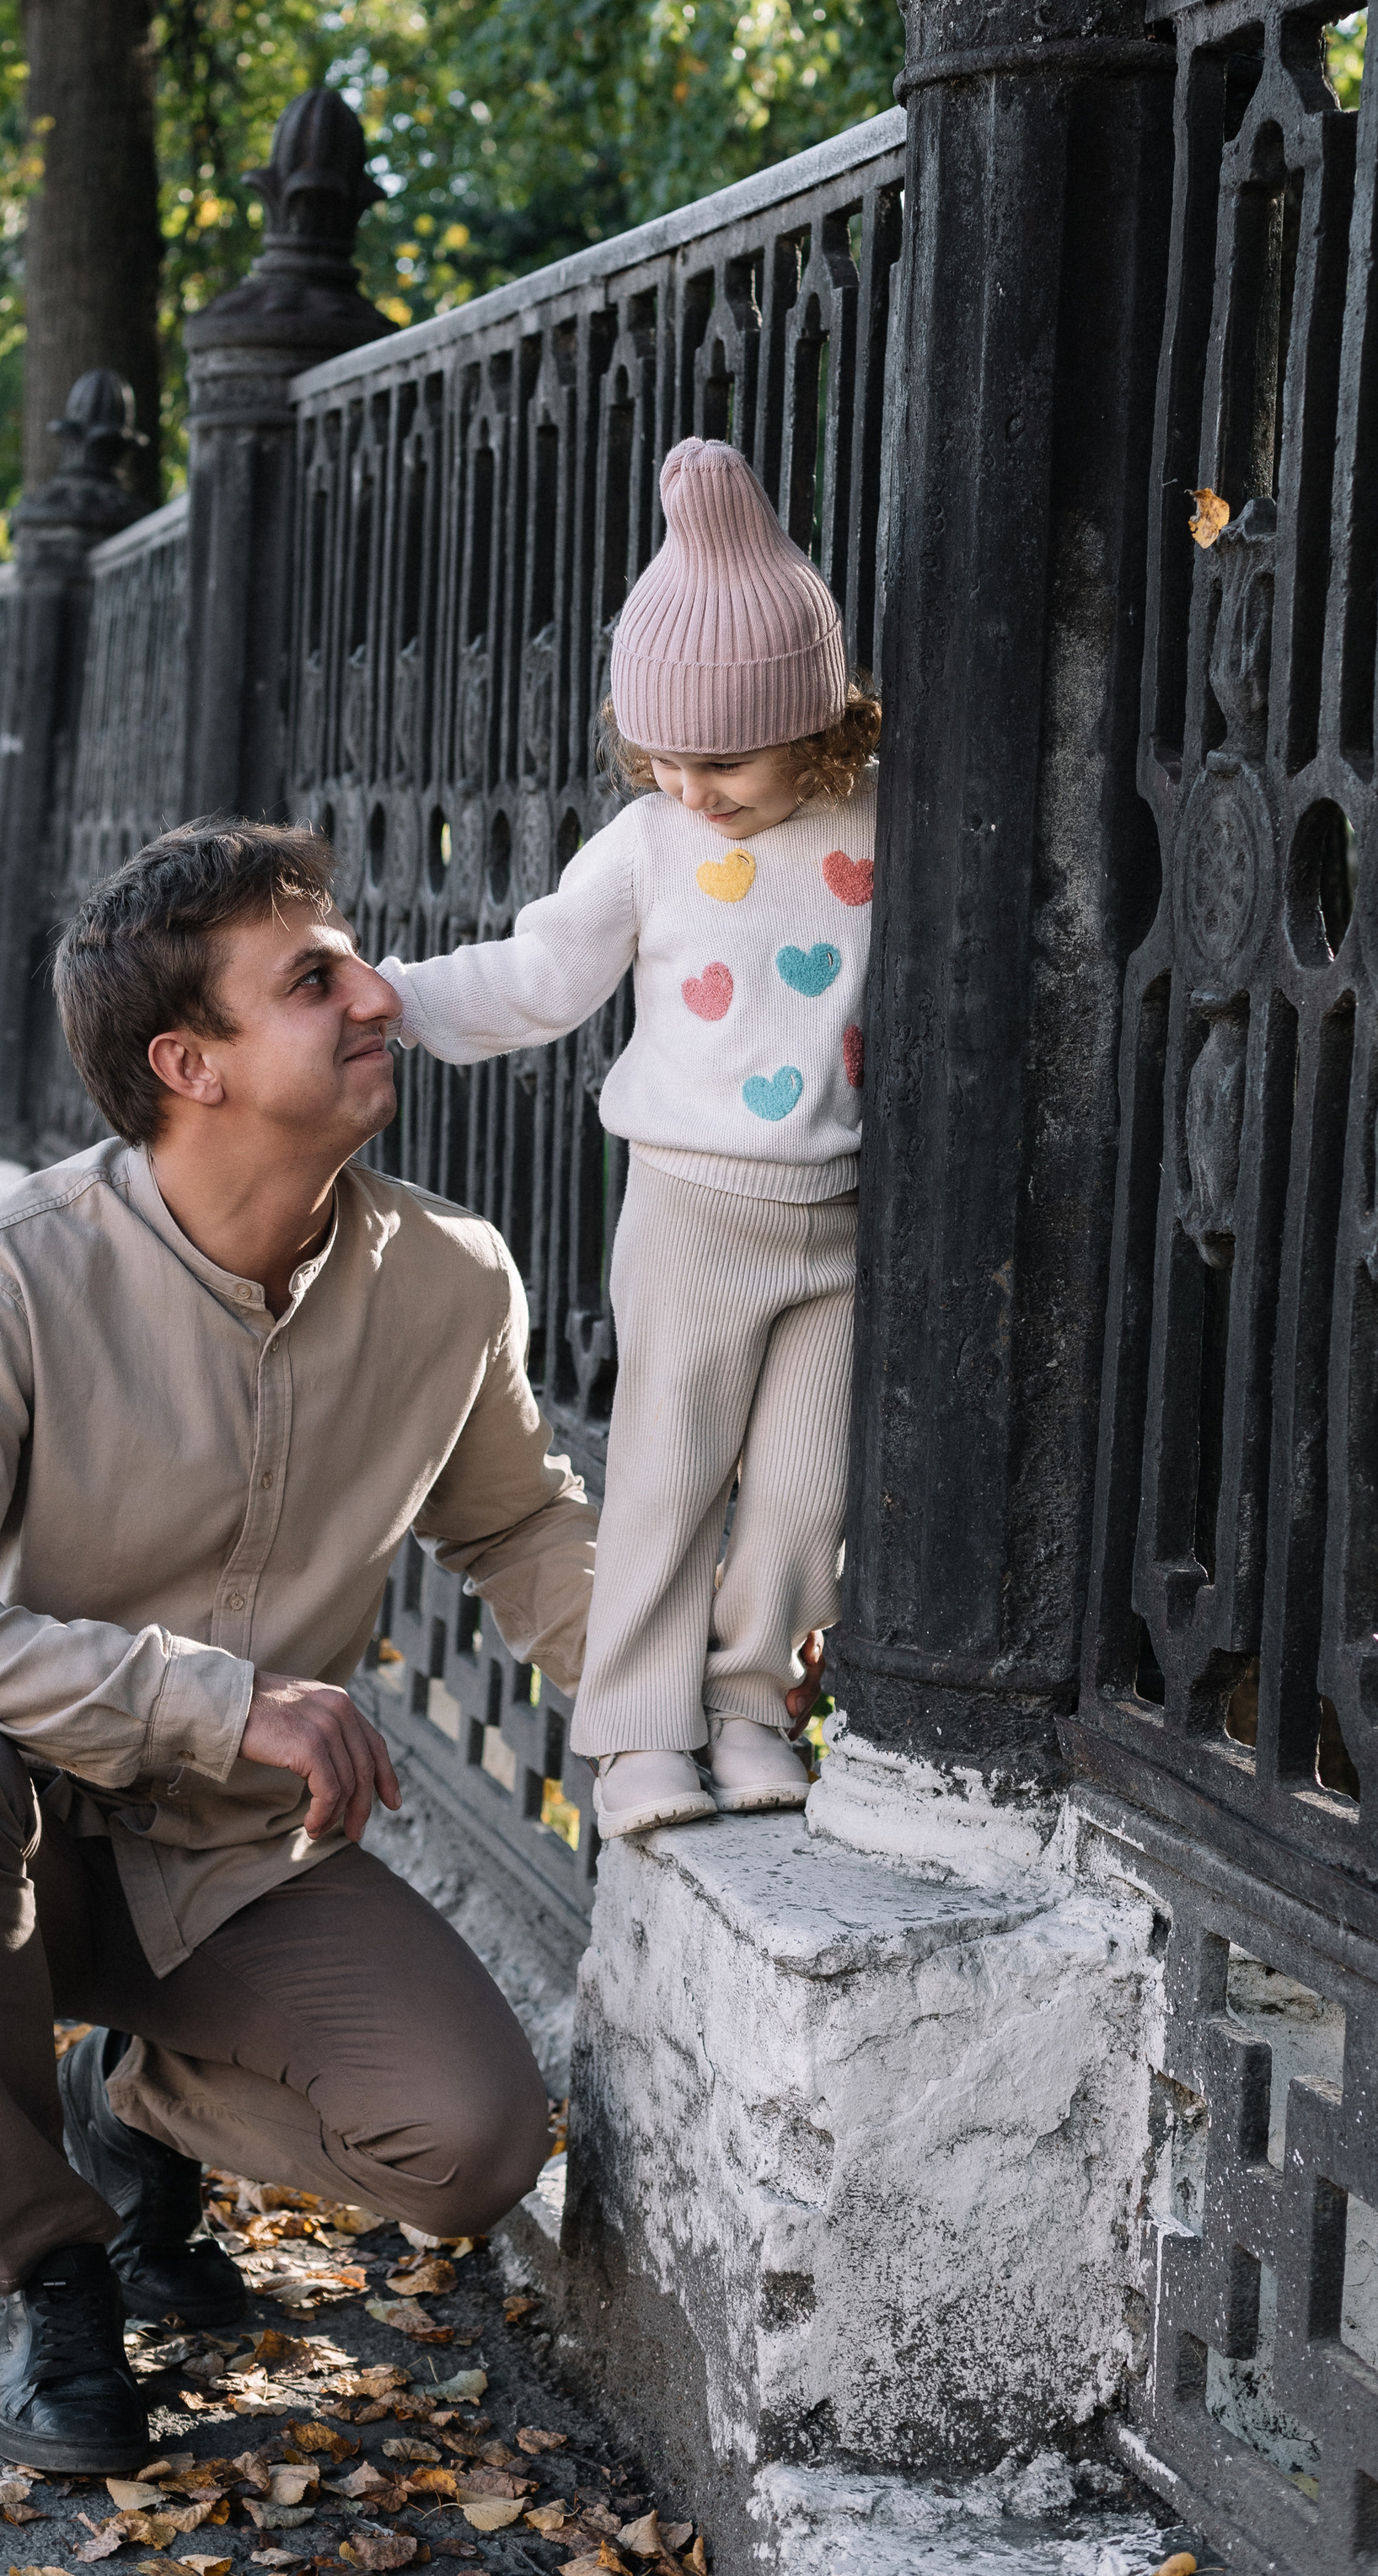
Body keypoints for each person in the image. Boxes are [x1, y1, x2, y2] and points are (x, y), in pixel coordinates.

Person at [0, 821, 599, 2475]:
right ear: (189, 1064)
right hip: (17, 1826)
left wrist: (694, 1683)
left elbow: (519, 1529)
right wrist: (205, 1701)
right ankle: (56, 2265)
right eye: (314, 980)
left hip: (238, 1863)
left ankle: (132, 2101)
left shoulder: (448, 1278)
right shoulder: (12, 1275)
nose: (382, 994)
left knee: (470, 2146)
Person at [380, 437, 878, 1845]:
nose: (691, 782)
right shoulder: (650, 842)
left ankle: (750, 1704)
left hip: (844, 1218)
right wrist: (400, 1000)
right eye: (659, 752)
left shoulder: (886, 816)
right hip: (694, 1209)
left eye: (724, 754)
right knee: (670, 1466)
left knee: (801, 1488)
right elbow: (540, 977)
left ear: (817, 720)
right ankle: (639, 1730)